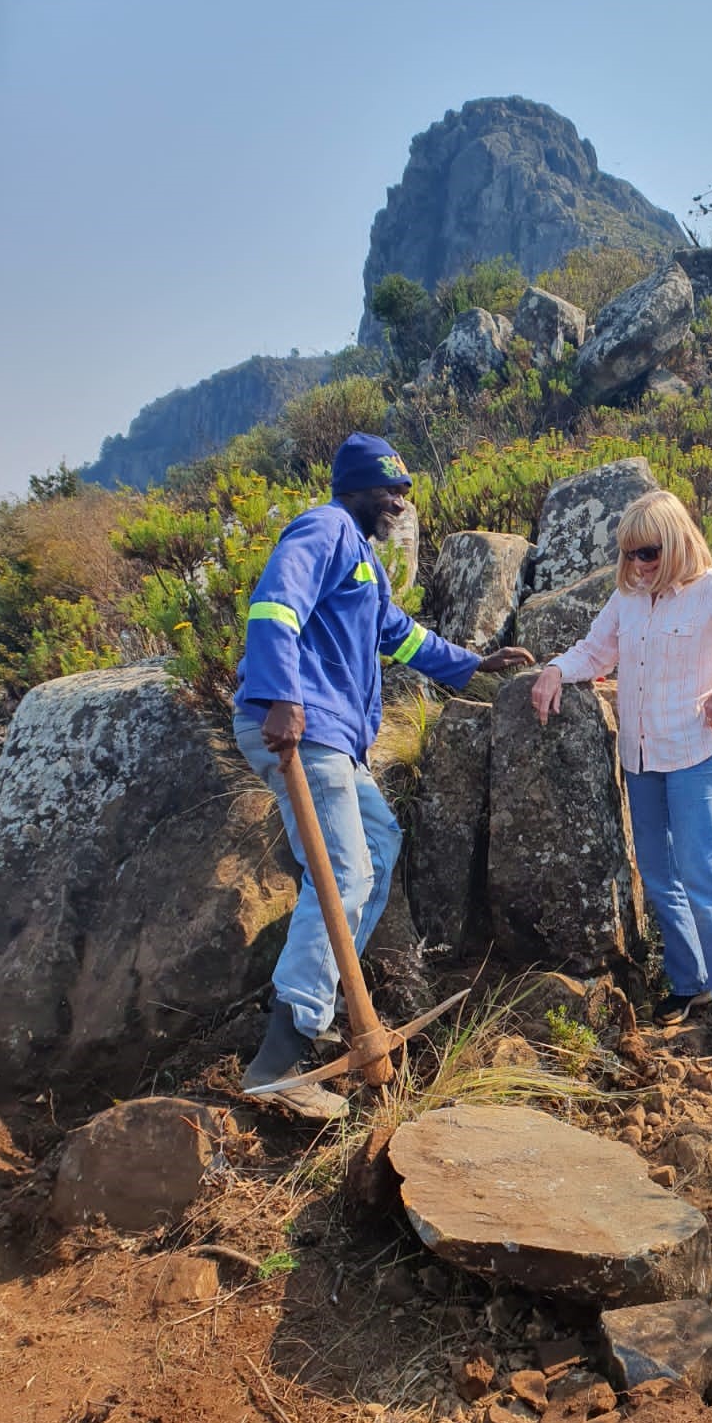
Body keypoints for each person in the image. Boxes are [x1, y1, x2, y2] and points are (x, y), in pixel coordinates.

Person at [234, 432, 532, 1117]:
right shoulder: (326, 528)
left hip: (332, 737)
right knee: (343, 874)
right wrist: (281, 694)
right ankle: (283, 1053)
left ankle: (335, 996)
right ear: (356, 488)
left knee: (380, 842)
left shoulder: (364, 560)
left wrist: (473, 665)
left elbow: (398, 634)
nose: (400, 501)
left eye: (404, 489)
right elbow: (275, 602)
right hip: (301, 727)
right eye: (389, 488)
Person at [530, 488, 712, 1054]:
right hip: (641, 757)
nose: (638, 564)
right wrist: (554, 670)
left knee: (701, 875)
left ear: (675, 544)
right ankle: (690, 983)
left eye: (648, 552)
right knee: (658, 875)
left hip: (696, 754)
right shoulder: (628, 598)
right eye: (629, 554)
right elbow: (595, 651)